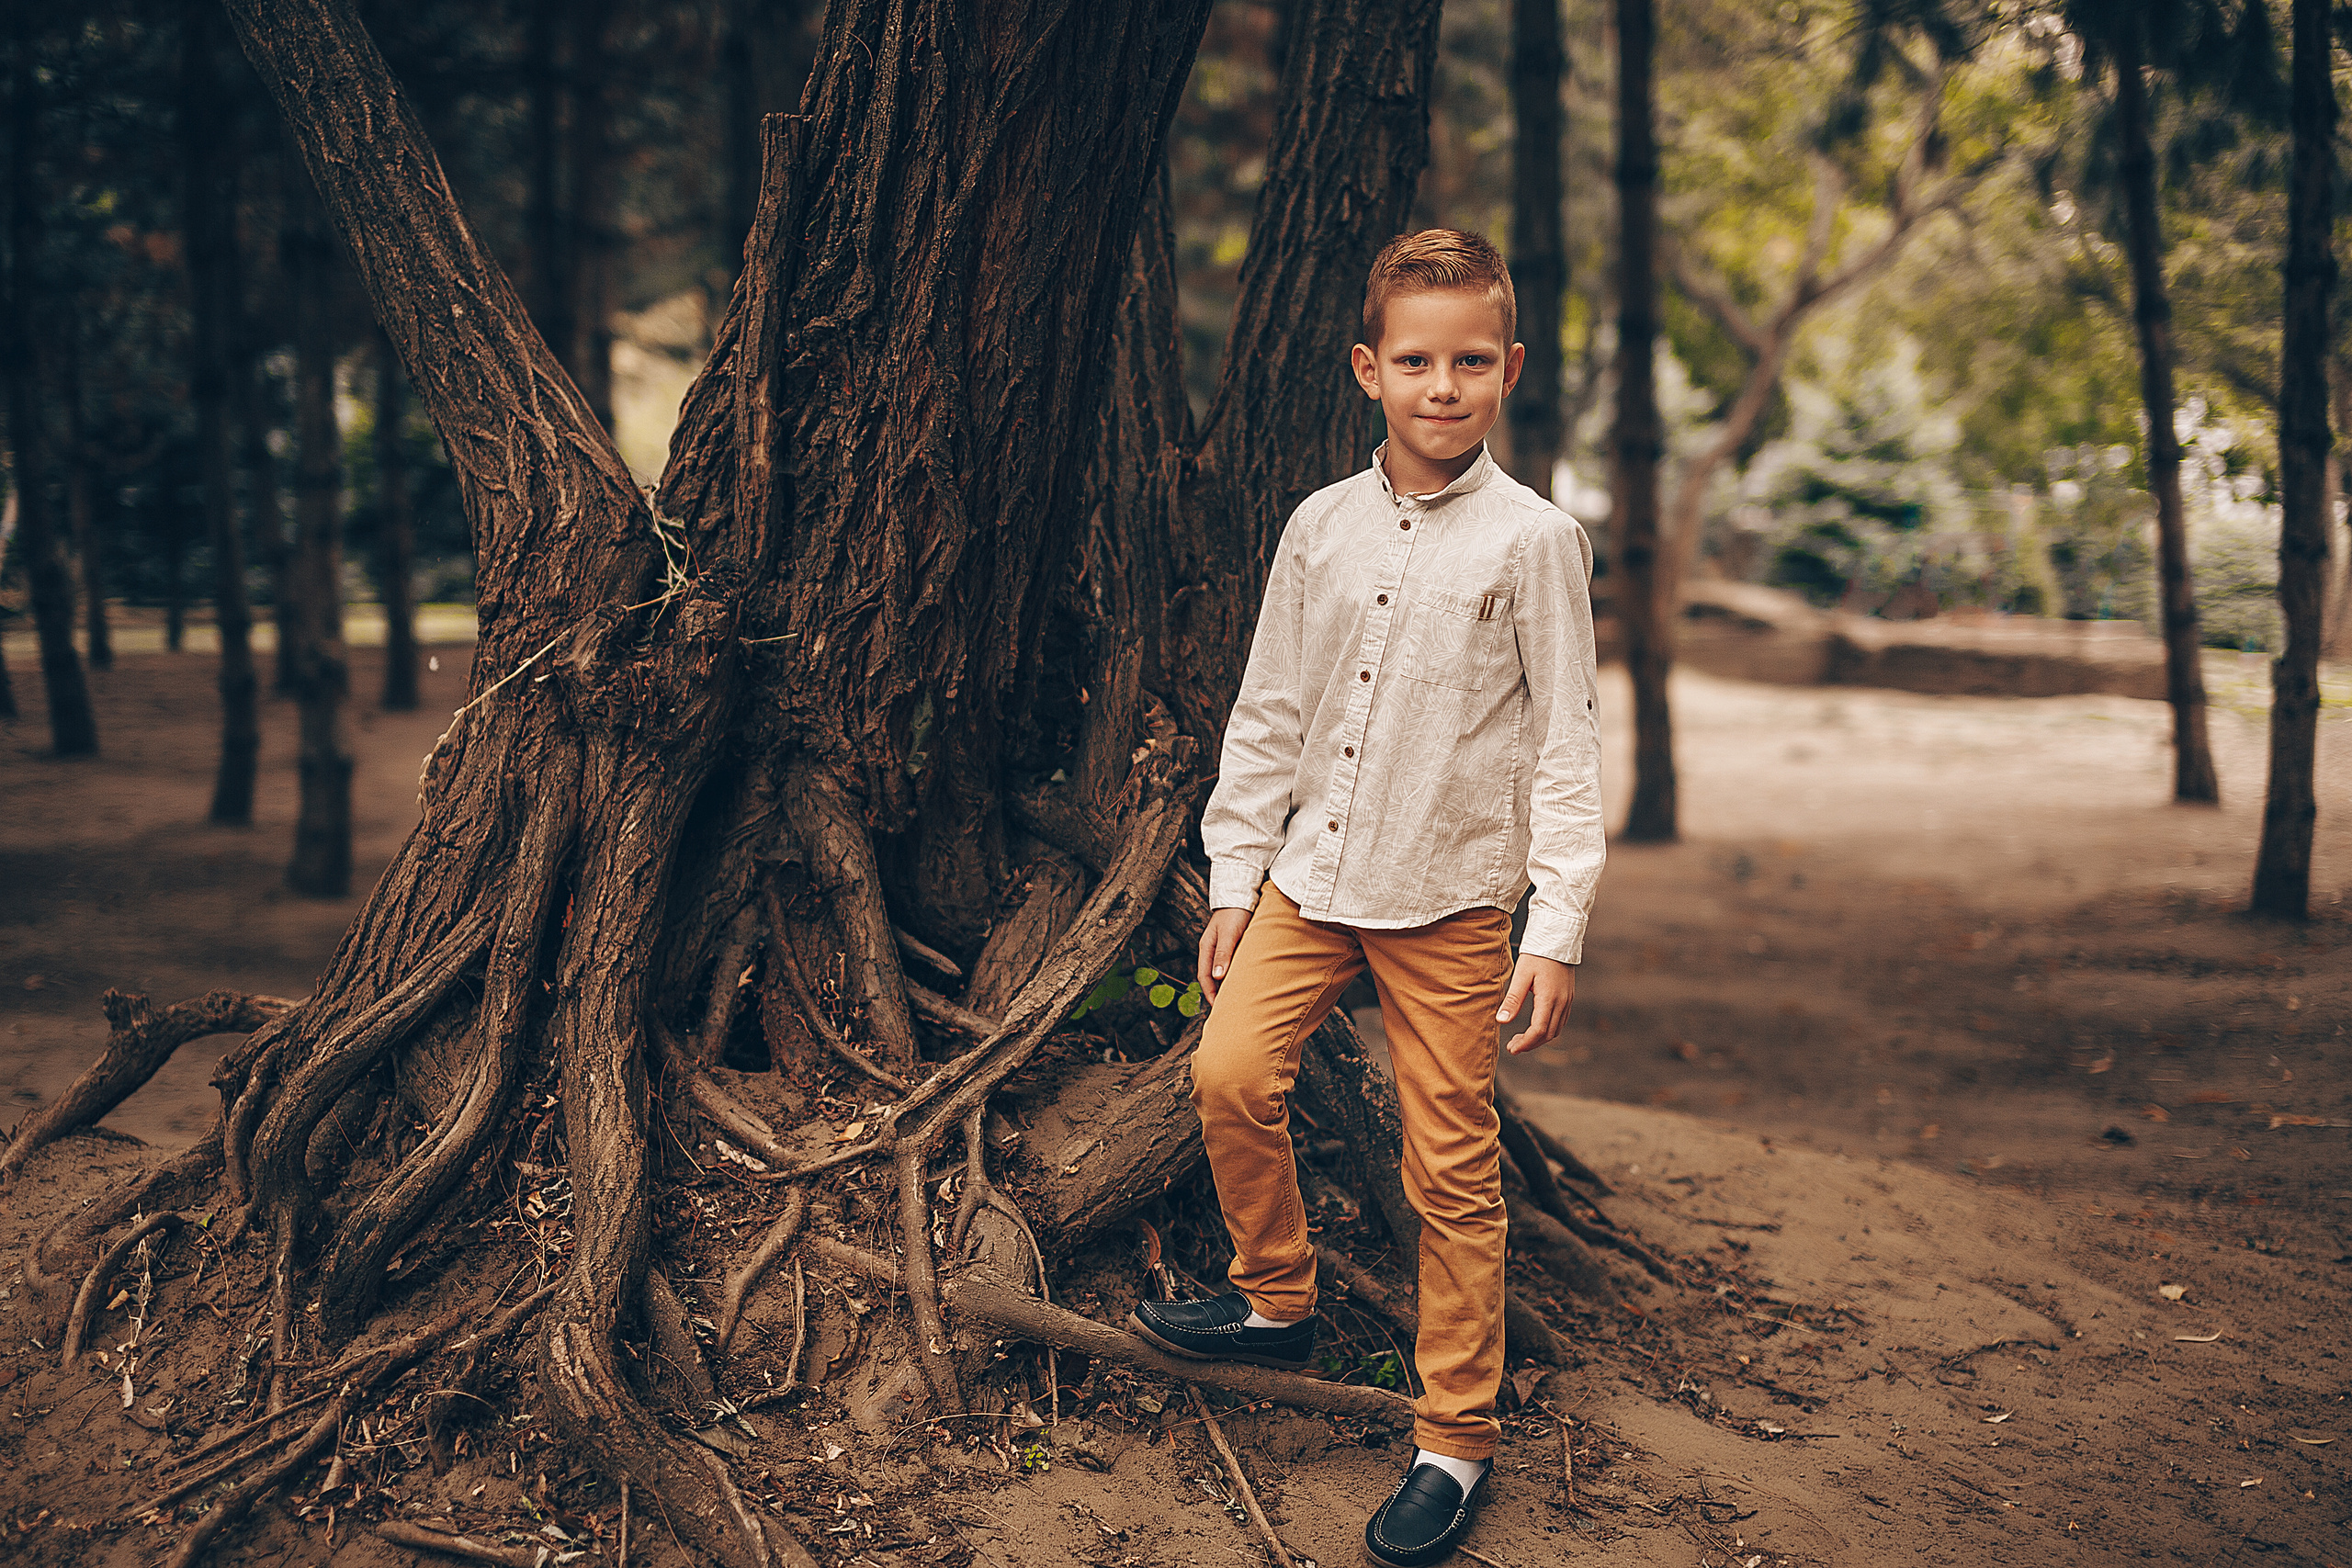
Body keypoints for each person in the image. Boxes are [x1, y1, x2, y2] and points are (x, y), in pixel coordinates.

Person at [1127, 229, 1603, 1568]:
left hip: (1451, 902)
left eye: (1468, 362)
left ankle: (1454, 1440)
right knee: (1228, 1073)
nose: (1440, 386)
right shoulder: (1318, 528)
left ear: (1507, 369)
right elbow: (1271, 710)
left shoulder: (1536, 542)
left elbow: (1568, 741)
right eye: (1413, 361)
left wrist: (1555, 925)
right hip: (1312, 879)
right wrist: (1235, 877)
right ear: (1366, 370)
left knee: (1451, 1169)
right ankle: (1276, 1297)